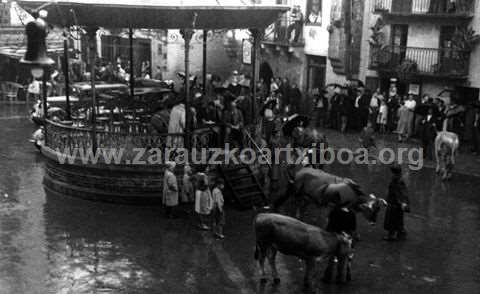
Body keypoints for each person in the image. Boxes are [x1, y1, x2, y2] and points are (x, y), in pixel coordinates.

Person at [384, 164, 410, 241]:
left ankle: (392, 235)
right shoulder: (397, 180)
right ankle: (400, 232)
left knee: (392, 220)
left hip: (394, 204)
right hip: (395, 204)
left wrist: (402, 203)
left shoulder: (397, 181)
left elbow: (400, 193)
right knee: (398, 220)